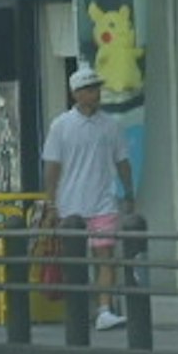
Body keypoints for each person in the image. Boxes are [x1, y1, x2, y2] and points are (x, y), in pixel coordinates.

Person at [41, 62, 132, 330]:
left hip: (103, 201)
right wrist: (50, 200)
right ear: (76, 94)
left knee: (105, 255)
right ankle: (80, 309)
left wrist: (128, 191)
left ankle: (104, 310)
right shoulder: (61, 126)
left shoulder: (111, 125)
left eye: (97, 88)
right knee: (76, 261)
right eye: (90, 89)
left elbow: (123, 161)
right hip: (71, 206)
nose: (96, 93)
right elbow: (52, 166)